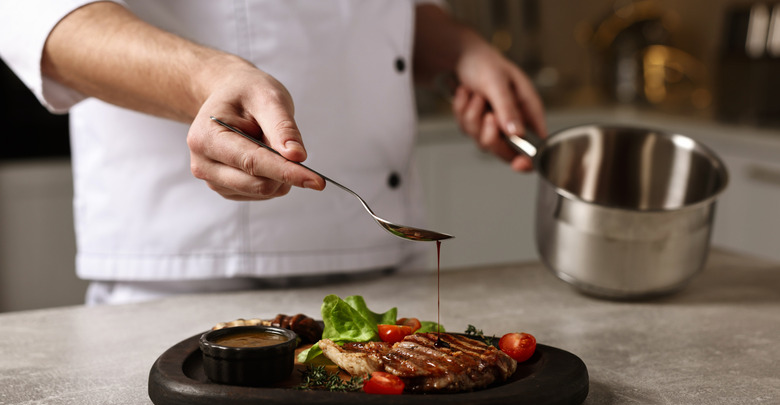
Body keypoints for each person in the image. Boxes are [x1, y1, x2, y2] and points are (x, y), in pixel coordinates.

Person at [0, 1, 546, 305]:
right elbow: (41, 17)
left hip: (387, 264)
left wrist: (459, 49)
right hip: (193, 271)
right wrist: (207, 79)